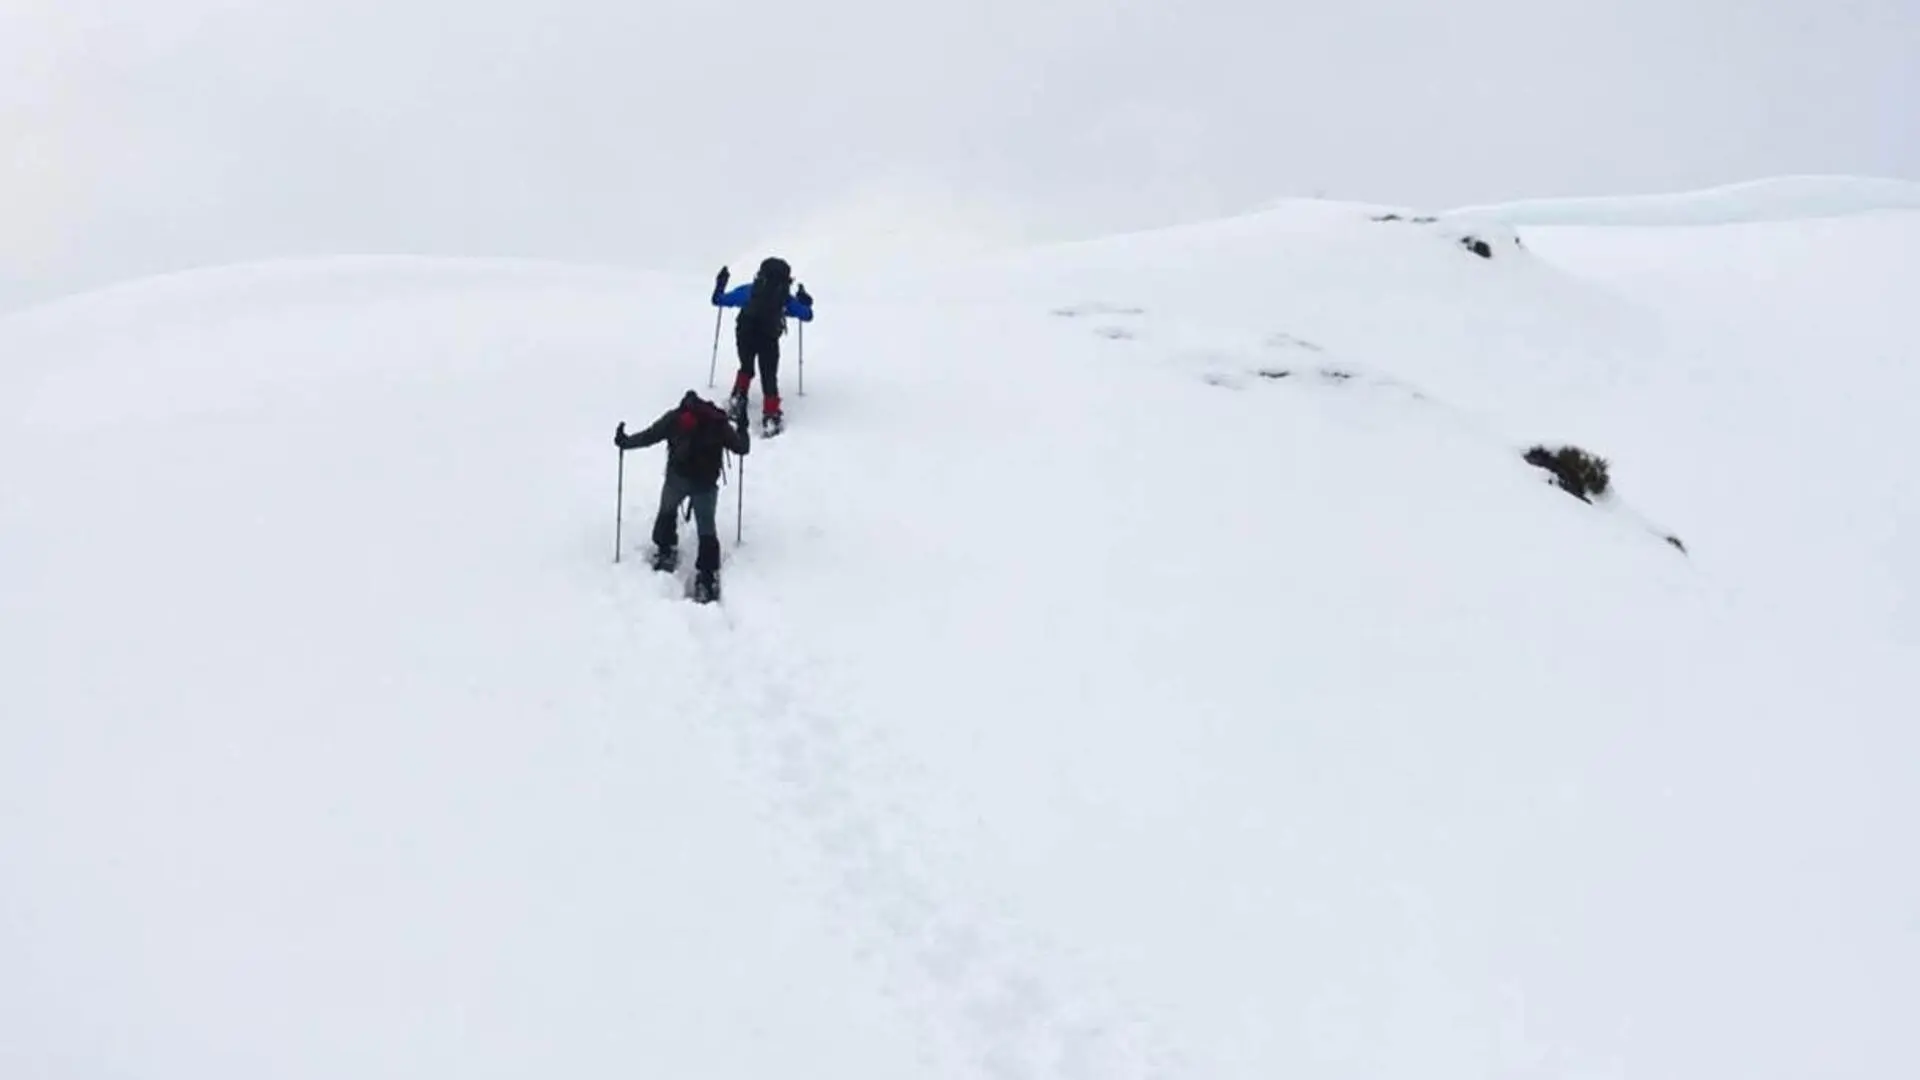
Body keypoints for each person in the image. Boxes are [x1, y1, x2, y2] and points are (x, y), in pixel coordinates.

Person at [614, 390, 750, 602]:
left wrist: (625, 441)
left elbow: (649, 436)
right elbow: (742, 448)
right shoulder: (718, 423)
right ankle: (706, 577)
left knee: (667, 511)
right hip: (706, 484)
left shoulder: (675, 418)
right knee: (706, 527)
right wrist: (743, 428)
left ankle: (665, 549)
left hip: (677, 479)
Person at [712, 256, 814, 435]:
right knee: (769, 375)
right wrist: (804, 301)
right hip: (768, 338)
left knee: (746, 366)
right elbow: (807, 315)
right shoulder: (784, 299)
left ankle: (738, 398)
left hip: (745, 332)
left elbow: (718, 299)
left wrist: (721, 284)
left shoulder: (750, 291)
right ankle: (771, 414)